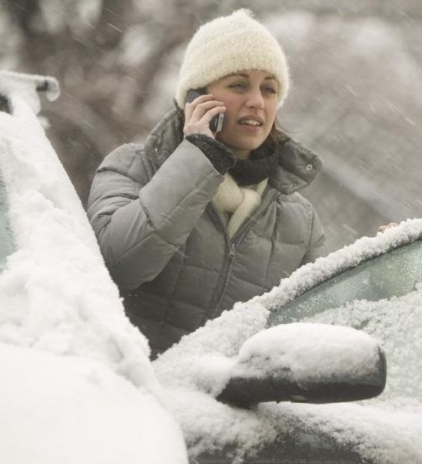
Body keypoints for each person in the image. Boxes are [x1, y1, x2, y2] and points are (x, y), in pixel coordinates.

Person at [87, 9, 327, 358]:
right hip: (131, 399)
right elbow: (120, 265)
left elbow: (318, 331)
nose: (257, 101)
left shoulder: (300, 221)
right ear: (194, 98)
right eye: (239, 85)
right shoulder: (131, 167)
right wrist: (198, 157)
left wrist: (385, 274)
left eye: (269, 89)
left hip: (224, 411)